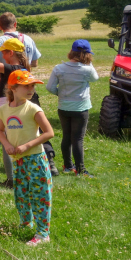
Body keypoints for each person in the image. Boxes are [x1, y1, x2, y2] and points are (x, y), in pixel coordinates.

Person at [0, 70, 55, 247]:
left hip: (35, 159)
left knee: (39, 195)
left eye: (33, 86)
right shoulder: (4, 109)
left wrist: (28, 145)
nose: (31, 89)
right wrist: (6, 144)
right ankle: (26, 223)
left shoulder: (33, 109)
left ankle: (43, 233)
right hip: (18, 160)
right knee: (21, 194)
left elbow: (49, 132)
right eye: (26, 86)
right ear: (12, 88)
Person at [0, 38, 44, 183]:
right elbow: (5, 86)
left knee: (7, 142)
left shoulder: (11, 68)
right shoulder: (20, 69)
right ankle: (14, 177)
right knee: (9, 140)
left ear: (11, 53)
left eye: (4, 53)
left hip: (7, 108)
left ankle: (11, 179)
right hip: (11, 106)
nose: (2, 56)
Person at [46, 40, 99, 177]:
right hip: (81, 108)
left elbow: (49, 87)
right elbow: (95, 78)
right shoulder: (87, 70)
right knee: (78, 139)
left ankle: (68, 166)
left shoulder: (59, 68)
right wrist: (90, 64)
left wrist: (61, 94)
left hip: (63, 107)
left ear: (71, 52)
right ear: (87, 55)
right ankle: (81, 170)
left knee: (67, 136)